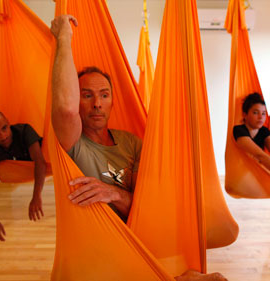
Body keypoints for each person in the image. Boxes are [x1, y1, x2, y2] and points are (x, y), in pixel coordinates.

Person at [50, 14, 227, 281]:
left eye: (104, 95)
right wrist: (64, 38)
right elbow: (64, 109)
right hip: (97, 249)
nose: (97, 103)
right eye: (86, 95)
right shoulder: (73, 144)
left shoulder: (130, 142)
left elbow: (149, 206)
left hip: (140, 239)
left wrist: (114, 194)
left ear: (112, 102)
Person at [0, 110, 47, 241]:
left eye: (4, 128)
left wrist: (36, 196)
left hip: (45, 161)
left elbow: (40, 162)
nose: (3, 135)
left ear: (8, 123)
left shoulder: (24, 131)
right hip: (21, 169)